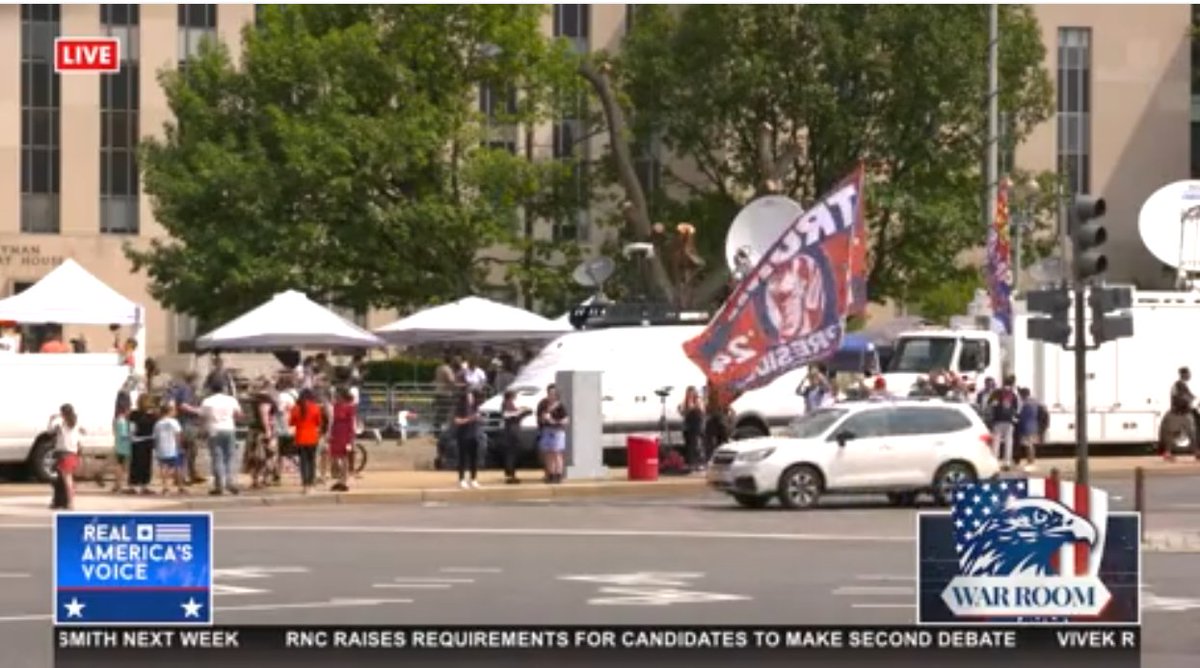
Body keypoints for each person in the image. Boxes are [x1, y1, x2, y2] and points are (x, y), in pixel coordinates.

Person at [201, 378, 243, 496]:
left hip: (214, 429)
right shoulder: (231, 400)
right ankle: (230, 482)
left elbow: (202, 416)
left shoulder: (207, 401)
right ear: (223, 388)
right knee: (229, 456)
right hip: (229, 428)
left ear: (211, 389)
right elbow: (239, 414)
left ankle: (219, 485)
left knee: (217, 457)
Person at [169, 371, 205, 485]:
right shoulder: (186, 389)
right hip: (187, 423)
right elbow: (183, 405)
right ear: (193, 380)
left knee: (190, 451)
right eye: (198, 381)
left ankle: (190, 474)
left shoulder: (185, 389)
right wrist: (198, 411)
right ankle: (182, 477)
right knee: (187, 451)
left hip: (187, 423)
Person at [49, 404, 84, 510]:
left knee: (67, 481)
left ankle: (70, 502)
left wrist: (51, 420)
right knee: (69, 480)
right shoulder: (76, 424)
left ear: (63, 414)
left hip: (64, 454)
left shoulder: (61, 426)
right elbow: (81, 437)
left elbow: (49, 431)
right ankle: (65, 501)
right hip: (73, 454)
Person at [289, 388, 323, 494]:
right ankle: (311, 485)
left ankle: (305, 486)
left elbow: (291, 422)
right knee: (312, 461)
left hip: (300, 438)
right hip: (313, 437)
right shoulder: (315, 407)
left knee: (303, 463)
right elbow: (318, 422)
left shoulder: (296, 408)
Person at [245, 380, 278, 489]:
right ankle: (263, 479)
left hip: (254, 430)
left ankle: (256, 479)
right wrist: (268, 430)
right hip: (263, 431)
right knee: (266, 455)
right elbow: (264, 414)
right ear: (268, 387)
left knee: (256, 456)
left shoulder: (254, 398)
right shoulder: (265, 399)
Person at [536, 384, 568, 484]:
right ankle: (550, 474)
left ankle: (558, 475)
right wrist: (544, 418)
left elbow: (566, 419)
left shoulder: (560, 405)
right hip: (547, 430)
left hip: (558, 431)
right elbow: (539, 417)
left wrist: (557, 421)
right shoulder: (543, 404)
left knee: (557, 453)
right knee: (549, 453)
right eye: (550, 393)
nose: (552, 395)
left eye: (554, 393)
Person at [127, 393, 158, 496]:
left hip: (136, 441)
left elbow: (132, 428)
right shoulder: (153, 416)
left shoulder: (134, 414)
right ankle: (144, 485)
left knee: (136, 463)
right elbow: (155, 430)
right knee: (146, 463)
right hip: (148, 441)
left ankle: (134, 485)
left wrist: (131, 437)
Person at [987, 377, 1020, 470]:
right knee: (1008, 442)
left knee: (996, 442)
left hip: (998, 419)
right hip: (1009, 421)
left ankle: (994, 462)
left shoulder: (997, 392)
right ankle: (1007, 463)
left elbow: (990, 403)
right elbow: (1016, 408)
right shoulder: (1013, 394)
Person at [329, 387, 357, 492]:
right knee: (335, 457)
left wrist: (351, 438)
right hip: (336, 433)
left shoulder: (350, 407)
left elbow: (351, 423)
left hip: (345, 434)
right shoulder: (335, 406)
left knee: (344, 457)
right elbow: (332, 421)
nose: (336, 397)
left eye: (338, 395)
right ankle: (339, 478)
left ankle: (343, 480)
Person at [453, 389, 483, 489]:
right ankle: (462, 479)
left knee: (474, 458)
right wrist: (468, 419)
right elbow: (457, 421)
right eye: (469, 396)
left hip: (474, 434)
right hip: (463, 435)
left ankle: (473, 479)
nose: (471, 398)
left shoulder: (476, 407)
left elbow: (479, 419)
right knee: (463, 458)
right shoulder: (460, 407)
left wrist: (478, 418)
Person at [154, 402, 185, 495]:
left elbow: (156, 437)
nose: (175, 412)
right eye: (174, 410)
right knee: (178, 467)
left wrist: (156, 448)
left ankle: (165, 487)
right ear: (169, 411)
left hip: (162, 448)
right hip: (173, 447)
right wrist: (179, 446)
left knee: (163, 467)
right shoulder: (174, 422)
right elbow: (178, 435)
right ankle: (180, 486)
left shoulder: (158, 423)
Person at [500, 390, 530, 484]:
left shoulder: (510, 404)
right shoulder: (507, 403)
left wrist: (521, 412)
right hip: (511, 432)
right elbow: (506, 415)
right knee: (511, 453)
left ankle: (511, 473)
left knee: (512, 453)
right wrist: (520, 411)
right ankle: (510, 475)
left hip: (513, 431)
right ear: (511, 396)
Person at [1159, 392, 1197, 462]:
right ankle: (1168, 453)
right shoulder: (1181, 396)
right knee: (1189, 433)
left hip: (1179, 415)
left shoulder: (1178, 395)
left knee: (1190, 433)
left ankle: (1196, 452)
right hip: (1178, 415)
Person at [678, 386, 706, 471]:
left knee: (696, 445)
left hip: (696, 425)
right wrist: (682, 409)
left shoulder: (698, 400)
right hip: (688, 426)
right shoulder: (685, 402)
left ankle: (698, 463)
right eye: (688, 392)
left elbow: (701, 410)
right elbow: (683, 412)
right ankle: (690, 463)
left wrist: (693, 405)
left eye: (692, 392)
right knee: (689, 445)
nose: (690, 394)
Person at [110, 393, 132, 494]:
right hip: (124, 446)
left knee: (118, 465)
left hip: (118, 444)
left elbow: (115, 432)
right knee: (121, 466)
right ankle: (119, 485)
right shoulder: (122, 421)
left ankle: (116, 485)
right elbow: (124, 435)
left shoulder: (116, 419)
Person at [1015, 388, 1041, 471]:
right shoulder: (1034, 402)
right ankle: (1031, 461)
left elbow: (1023, 416)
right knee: (1031, 445)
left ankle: (1030, 462)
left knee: (1028, 446)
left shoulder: (1026, 403)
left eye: (1021, 395)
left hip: (1027, 426)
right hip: (1034, 426)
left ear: (1023, 395)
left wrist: (1017, 419)